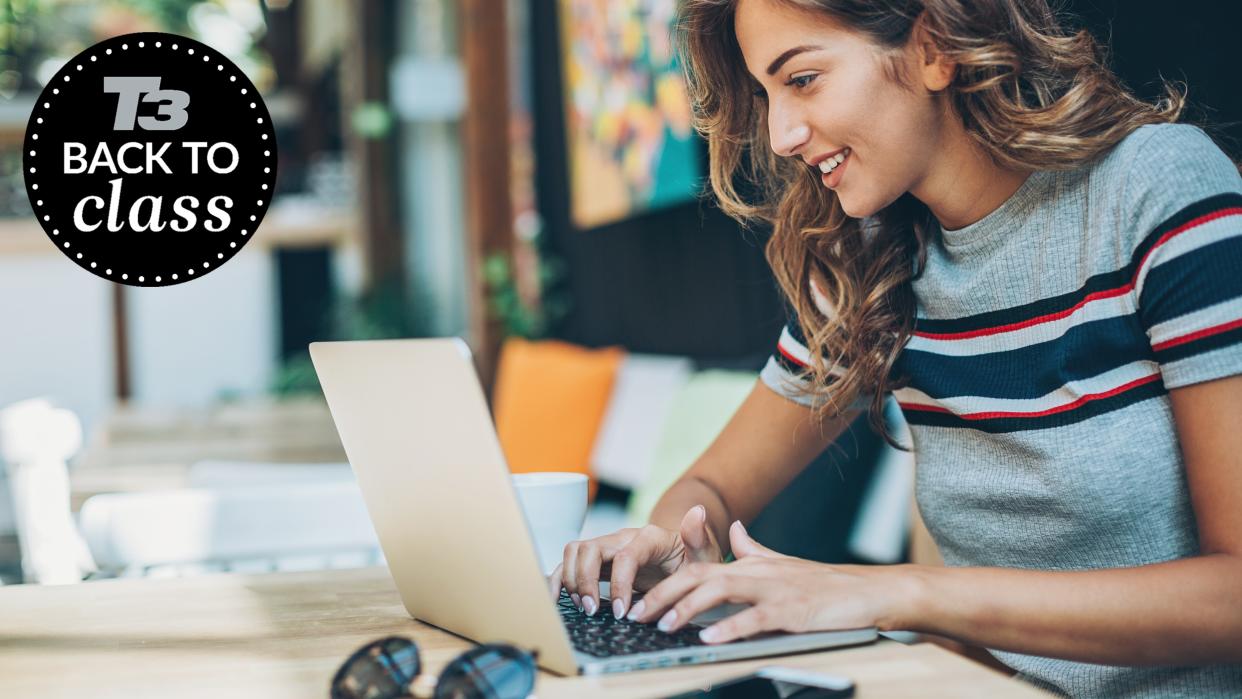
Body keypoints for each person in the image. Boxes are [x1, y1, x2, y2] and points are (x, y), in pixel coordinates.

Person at [552, 0, 1242, 696]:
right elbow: (712, 488)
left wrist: (896, 592)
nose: (781, 133)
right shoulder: (877, 263)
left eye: (803, 79)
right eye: (766, 94)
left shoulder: (1158, 190)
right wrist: (664, 541)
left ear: (936, 46)